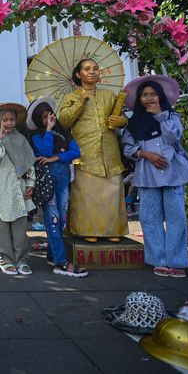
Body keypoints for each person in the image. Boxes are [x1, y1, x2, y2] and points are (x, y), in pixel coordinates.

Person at [122, 75, 188, 278]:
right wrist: (146, 154)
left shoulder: (172, 117)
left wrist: (161, 116)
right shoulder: (134, 123)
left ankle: (176, 260)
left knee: (176, 217)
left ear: (161, 96)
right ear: (139, 99)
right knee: (150, 218)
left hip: (173, 172)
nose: (149, 98)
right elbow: (128, 149)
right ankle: (158, 260)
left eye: (153, 94)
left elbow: (173, 137)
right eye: (145, 95)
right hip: (147, 173)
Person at [58, 58, 128, 243]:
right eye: (87, 69)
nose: (92, 72)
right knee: (87, 195)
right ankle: (87, 229)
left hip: (110, 153)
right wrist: (80, 102)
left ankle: (113, 229)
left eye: (95, 69)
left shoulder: (109, 95)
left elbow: (121, 117)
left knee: (112, 193)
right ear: (78, 74)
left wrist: (121, 121)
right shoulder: (71, 97)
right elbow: (64, 120)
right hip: (85, 154)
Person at [27, 97, 87, 278]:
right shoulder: (37, 135)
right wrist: (49, 131)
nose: (48, 119)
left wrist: (56, 157)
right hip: (48, 180)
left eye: (50, 115)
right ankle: (61, 262)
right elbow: (44, 152)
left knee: (61, 219)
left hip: (63, 178)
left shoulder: (65, 133)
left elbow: (76, 152)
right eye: (44, 117)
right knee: (52, 219)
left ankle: (53, 255)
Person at [0, 103, 35, 276]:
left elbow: (29, 165)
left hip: (19, 189)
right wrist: (0, 138)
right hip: (1, 190)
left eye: (11, 119)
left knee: (20, 228)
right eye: (4, 120)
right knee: (3, 227)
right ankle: (5, 260)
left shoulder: (21, 141)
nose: (9, 123)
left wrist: (31, 184)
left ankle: (21, 259)